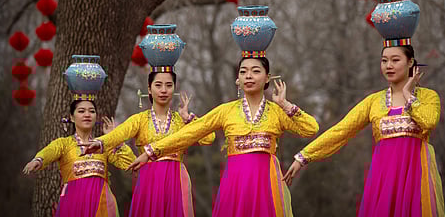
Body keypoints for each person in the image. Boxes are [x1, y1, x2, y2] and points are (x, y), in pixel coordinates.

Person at [283, 0, 445, 217]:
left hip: (415, 180)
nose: (388, 65)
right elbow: (341, 131)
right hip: (383, 181)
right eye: (384, 60)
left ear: (411, 63)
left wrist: (409, 94)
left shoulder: (428, 97)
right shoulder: (374, 102)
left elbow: (428, 123)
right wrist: (303, 157)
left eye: (395, 60)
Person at [125, 56, 319, 217]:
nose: (248, 76)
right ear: (237, 80)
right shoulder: (226, 111)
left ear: (267, 78)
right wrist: (151, 151)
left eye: (255, 71)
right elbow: (190, 133)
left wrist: (285, 104)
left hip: (266, 183)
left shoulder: (277, 112)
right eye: (243, 72)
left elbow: (311, 128)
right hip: (235, 184)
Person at [80, 24, 215, 217]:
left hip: (176, 179)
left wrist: (190, 118)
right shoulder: (140, 119)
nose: (163, 90)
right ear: (149, 89)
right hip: (149, 179)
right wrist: (101, 142)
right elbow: (121, 133)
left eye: (169, 85)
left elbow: (208, 138)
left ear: (174, 88)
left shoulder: (179, 121)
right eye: (158, 85)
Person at [22, 98, 136, 217]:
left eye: (91, 111)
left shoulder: (103, 144)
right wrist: (38, 160)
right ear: (71, 117)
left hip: (102, 203)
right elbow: (50, 151)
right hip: (74, 201)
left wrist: (114, 138)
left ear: (96, 117)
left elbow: (130, 162)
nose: (87, 114)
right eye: (81, 111)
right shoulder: (64, 144)